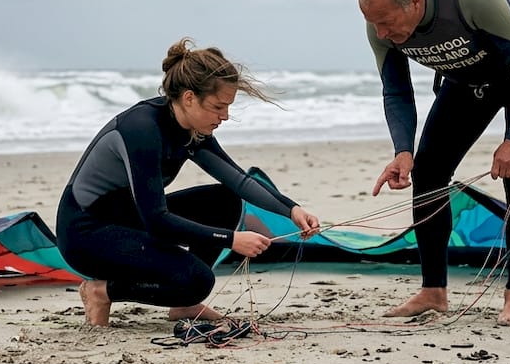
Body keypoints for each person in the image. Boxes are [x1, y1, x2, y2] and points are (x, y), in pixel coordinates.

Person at [56, 37, 321, 327]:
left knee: (224, 201)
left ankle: (184, 307)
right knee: (196, 280)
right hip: (87, 235)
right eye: (219, 107)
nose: (226, 116)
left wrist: (292, 210)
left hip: (129, 220)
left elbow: (239, 181)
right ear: (189, 98)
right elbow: (158, 221)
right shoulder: (142, 130)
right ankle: (100, 292)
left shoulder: (192, 129)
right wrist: (232, 240)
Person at [356, 0, 510, 325]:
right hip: (469, 78)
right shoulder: (380, 26)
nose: (381, 33)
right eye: (373, 23)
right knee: (429, 170)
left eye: (387, 22)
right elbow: (397, 91)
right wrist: (402, 151)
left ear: (416, 1)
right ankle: (433, 291)